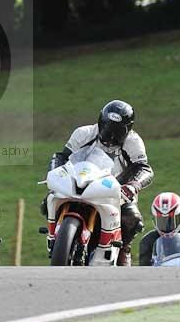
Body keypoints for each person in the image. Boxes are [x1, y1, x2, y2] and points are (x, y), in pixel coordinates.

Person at [42, 99, 154, 266]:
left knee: (132, 218)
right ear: (100, 122)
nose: (111, 135)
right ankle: (56, 236)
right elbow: (61, 156)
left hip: (115, 192)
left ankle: (123, 251)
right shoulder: (83, 133)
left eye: (117, 131)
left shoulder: (133, 141)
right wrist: (54, 173)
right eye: (107, 128)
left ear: (127, 130)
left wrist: (133, 185)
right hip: (79, 182)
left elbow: (145, 169)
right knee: (47, 201)